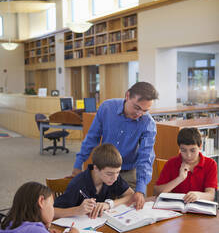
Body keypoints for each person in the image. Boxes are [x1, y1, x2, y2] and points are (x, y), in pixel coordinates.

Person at [71, 82, 159, 210]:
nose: (139, 113)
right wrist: (78, 163)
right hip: (104, 172)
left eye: (145, 111)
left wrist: (140, 190)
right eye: (137, 107)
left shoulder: (147, 123)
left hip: (128, 174)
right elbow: (92, 138)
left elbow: (146, 157)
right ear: (127, 96)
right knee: (99, 212)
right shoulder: (107, 108)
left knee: (128, 215)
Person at [54, 143, 134, 219]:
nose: (115, 178)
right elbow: (52, 211)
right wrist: (77, 210)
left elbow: (131, 195)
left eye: (118, 172)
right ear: (96, 168)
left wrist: (109, 204)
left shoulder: (113, 177)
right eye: (109, 174)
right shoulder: (77, 184)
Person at [154, 127, 217, 202]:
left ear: (200, 146)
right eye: (183, 150)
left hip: (200, 210)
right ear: (179, 148)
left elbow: (211, 195)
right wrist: (180, 178)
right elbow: (157, 192)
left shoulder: (210, 164)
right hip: (176, 209)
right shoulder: (171, 163)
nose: (188, 155)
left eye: (192, 150)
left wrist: (198, 195)